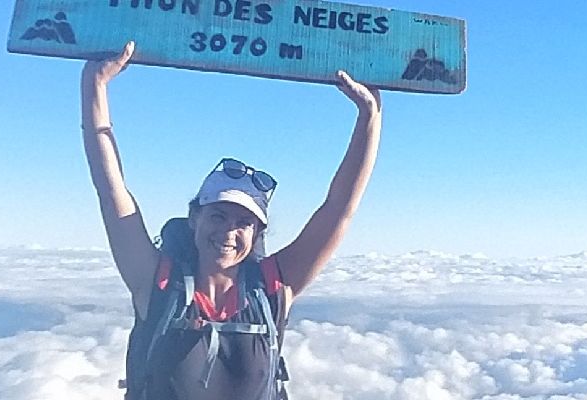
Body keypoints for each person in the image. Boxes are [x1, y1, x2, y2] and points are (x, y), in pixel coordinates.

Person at [79, 42, 381, 399]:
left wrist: (370, 117)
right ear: (194, 219)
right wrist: (94, 87)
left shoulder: (272, 289)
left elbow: (338, 209)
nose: (228, 231)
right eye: (218, 215)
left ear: (257, 233)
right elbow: (111, 192)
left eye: (244, 222)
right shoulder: (159, 285)